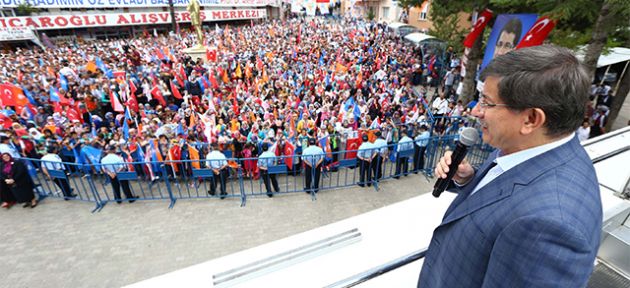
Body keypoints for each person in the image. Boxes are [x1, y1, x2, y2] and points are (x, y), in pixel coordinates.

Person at [418, 45, 602, 287]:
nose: (476, 111)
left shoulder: (550, 228)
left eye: (487, 103)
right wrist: (469, 179)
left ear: (531, 119)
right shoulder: (528, 145)